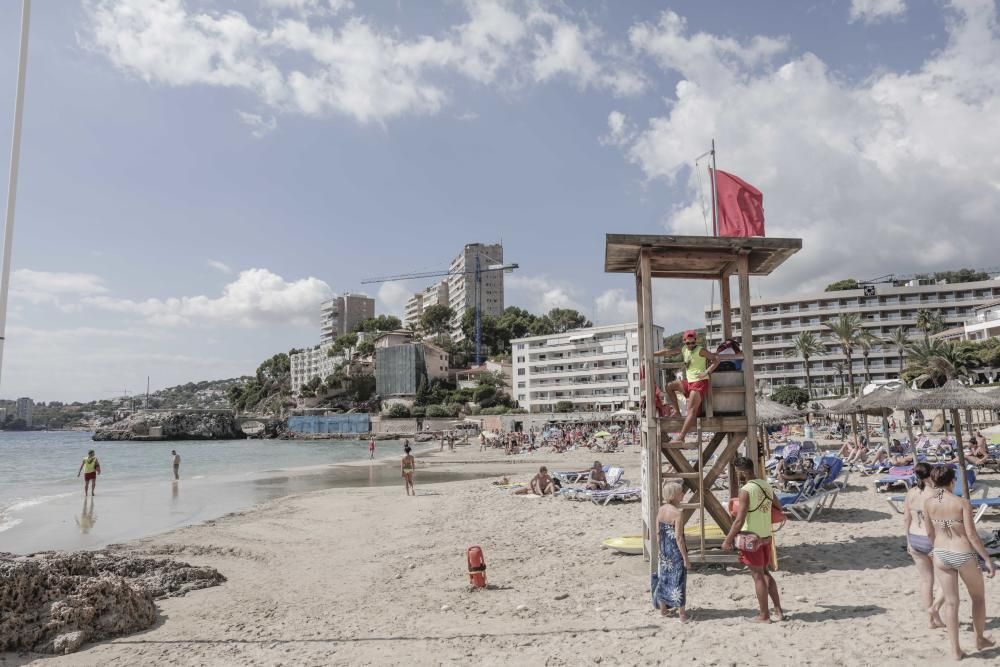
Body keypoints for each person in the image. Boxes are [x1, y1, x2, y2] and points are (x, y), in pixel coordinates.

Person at [925, 465, 995, 660]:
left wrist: (936, 547)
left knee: (951, 603)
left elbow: (930, 532)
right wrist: (987, 558)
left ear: (933, 481)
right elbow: (972, 535)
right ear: (952, 481)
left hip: (940, 553)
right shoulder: (961, 502)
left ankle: (955, 650)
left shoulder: (929, 503)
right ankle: (979, 639)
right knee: (978, 598)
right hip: (962, 552)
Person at [722, 456, 783, 623]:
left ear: (742, 472)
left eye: (737, 473)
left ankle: (764, 615)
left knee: (757, 576)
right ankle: (778, 610)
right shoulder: (765, 485)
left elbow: (739, 520)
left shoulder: (746, 491)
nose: (737, 476)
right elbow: (778, 506)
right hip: (766, 536)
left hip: (751, 538)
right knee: (765, 572)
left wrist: (728, 540)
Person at [655, 330, 720, 445]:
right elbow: (668, 352)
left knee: (691, 410)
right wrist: (653, 354)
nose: (690, 345)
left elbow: (716, 360)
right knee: (669, 387)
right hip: (689, 382)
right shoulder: (684, 349)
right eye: (688, 343)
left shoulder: (701, 350)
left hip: (699, 382)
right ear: (684, 341)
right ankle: (676, 411)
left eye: (692, 343)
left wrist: (706, 372)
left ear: (695, 340)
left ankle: (681, 437)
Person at [903, 463, 945, 629]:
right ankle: (934, 612)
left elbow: (907, 518)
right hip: (932, 539)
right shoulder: (936, 494)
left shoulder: (911, 492)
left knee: (925, 581)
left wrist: (907, 540)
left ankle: (932, 621)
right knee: (944, 582)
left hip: (914, 538)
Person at [654, 482, 691, 622]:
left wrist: (661, 549)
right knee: (679, 580)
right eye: (681, 492)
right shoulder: (677, 514)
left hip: (664, 550)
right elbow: (679, 538)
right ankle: (682, 614)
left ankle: (663, 610)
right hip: (675, 551)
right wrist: (686, 558)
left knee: (664, 578)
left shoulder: (661, 509)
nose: (683, 494)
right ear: (674, 495)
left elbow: (657, 533)